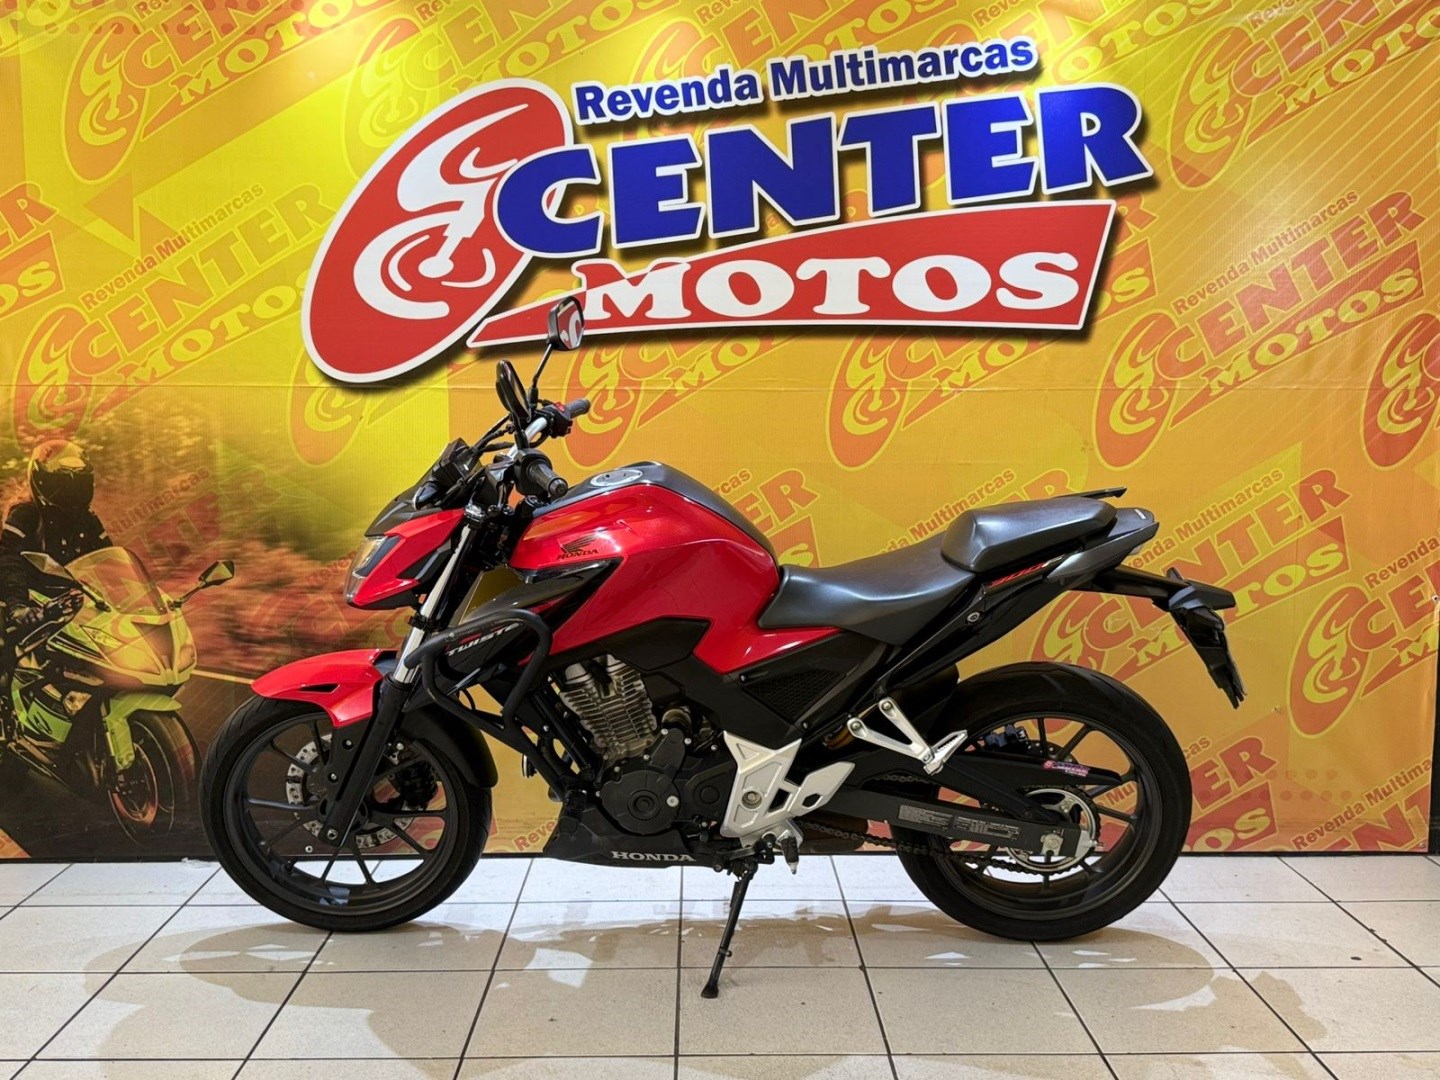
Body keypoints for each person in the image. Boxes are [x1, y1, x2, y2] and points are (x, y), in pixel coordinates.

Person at [0, 441, 104, 739]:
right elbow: (8, 559)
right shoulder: (25, 514)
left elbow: (108, 558)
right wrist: (18, 606)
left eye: (78, 485)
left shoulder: (88, 519)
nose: (71, 493)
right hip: (23, 602)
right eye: (62, 485)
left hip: (67, 605)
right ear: (42, 482)